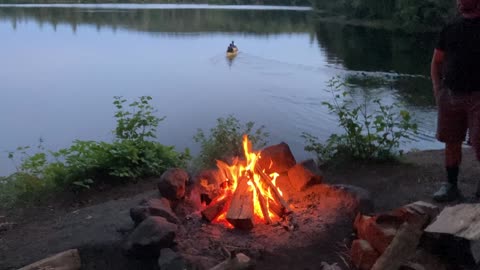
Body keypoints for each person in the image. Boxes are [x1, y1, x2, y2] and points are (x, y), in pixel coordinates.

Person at [431, 0, 480, 202]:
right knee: (451, 142)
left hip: (478, 96)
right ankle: (451, 186)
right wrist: (438, 91)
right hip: (450, 95)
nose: (459, 0)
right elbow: (436, 62)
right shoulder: (450, 28)